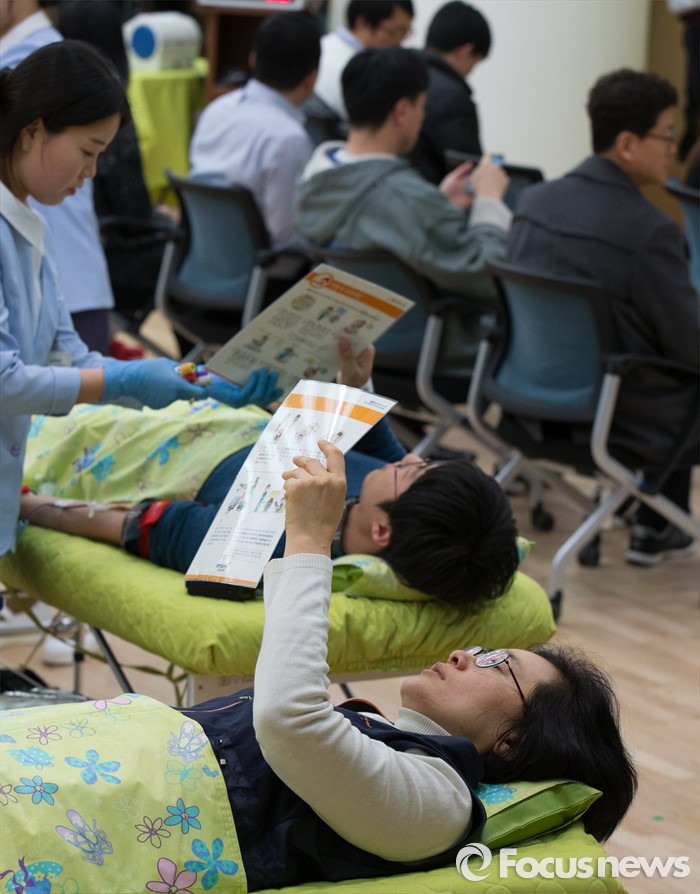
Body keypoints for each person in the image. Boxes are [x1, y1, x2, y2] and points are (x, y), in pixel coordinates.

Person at [179, 441, 636, 888]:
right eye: (483, 650)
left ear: (511, 743)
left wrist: (309, 540)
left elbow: (289, 718)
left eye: (497, 663)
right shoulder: (392, 749)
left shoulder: (441, 810)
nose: (463, 654)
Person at [0, 40, 282, 563]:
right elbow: (4, 379)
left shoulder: (30, 226)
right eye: (87, 151)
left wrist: (193, 382)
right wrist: (123, 380)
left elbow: (70, 357)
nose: (91, 173)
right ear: (33, 130)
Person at [19, 342, 520, 608]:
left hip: (122, 447)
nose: (408, 459)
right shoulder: (380, 488)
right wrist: (356, 380)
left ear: (382, 531)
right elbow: (378, 444)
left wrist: (21, 504)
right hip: (207, 413)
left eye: (412, 472)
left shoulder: (270, 546)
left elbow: (139, 524)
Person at [506, 68, 699, 566]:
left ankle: (657, 523)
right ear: (628, 144)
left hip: (526, 408)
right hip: (618, 419)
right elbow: (690, 345)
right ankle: (656, 524)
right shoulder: (649, 230)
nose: (673, 150)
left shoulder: (532, 202)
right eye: (667, 136)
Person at [295, 47, 511, 301]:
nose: (422, 116)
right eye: (421, 106)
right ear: (402, 112)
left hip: (349, 318)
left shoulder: (314, 176)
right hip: (423, 325)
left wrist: (438, 203)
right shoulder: (405, 198)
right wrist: (489, 201)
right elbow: (485, 275)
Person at [0, 0, 114, 352]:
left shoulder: (46, 65)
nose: (90, 171)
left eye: (94, 154)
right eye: (87, 153)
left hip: (69, 284)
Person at [189, 11, 320, 250]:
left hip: (202, 257)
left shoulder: (215, 110)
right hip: (263, 268)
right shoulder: (288, 139)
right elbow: (285, 235)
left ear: (252, 58)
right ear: (311, 78)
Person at [410, 1, 492, 184]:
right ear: (466, 51)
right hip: (432, 196)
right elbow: (469, 173)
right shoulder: (452, 99)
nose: (471, 72)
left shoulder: (398, 73)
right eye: (475, 62)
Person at [312, 0, 414, 122]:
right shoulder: (348, 69)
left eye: (405, 34)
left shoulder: (323, 45)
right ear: (362, 23)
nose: (400, 43)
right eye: (393, 32)